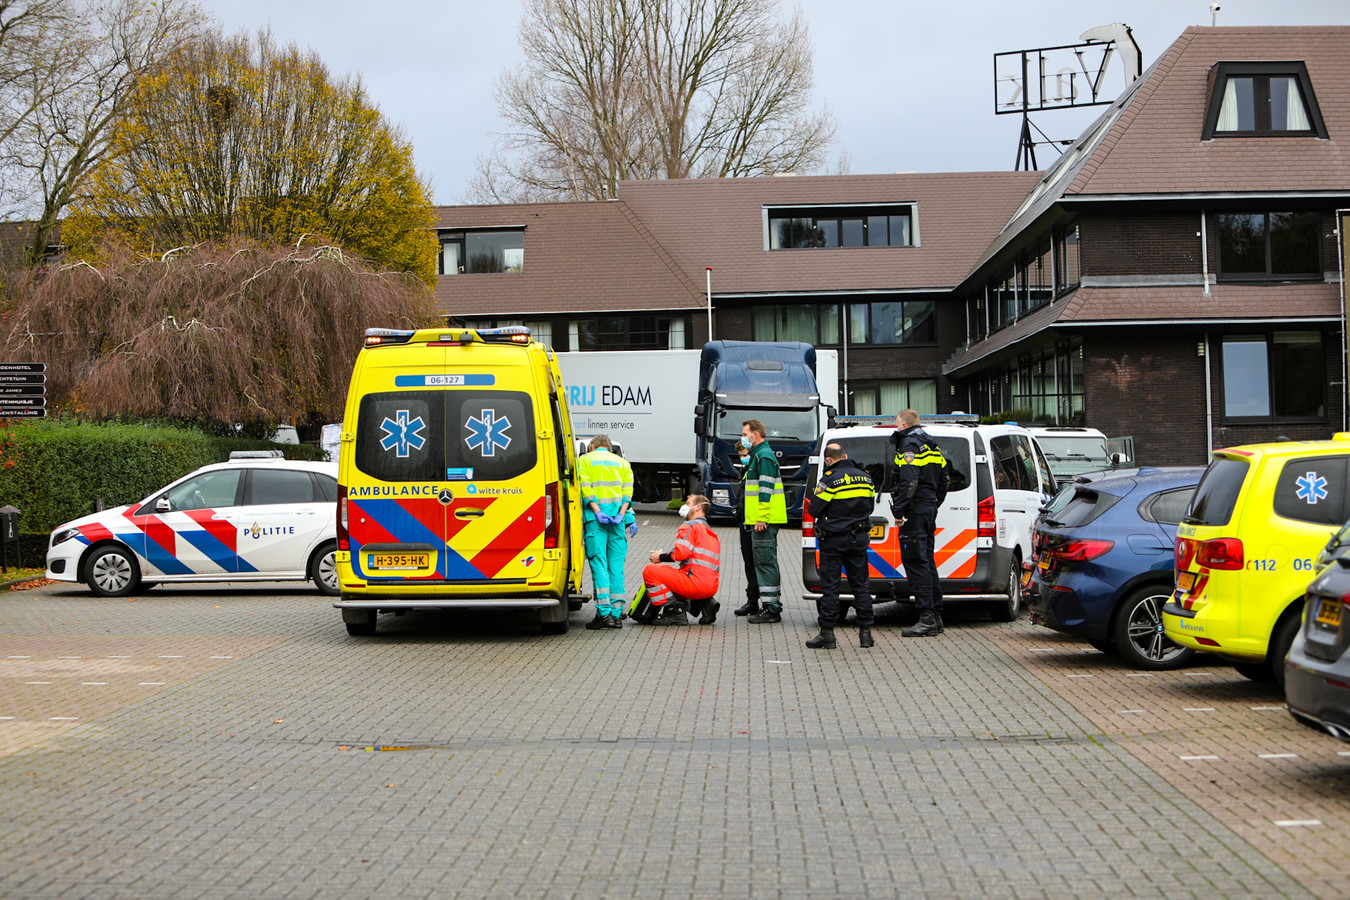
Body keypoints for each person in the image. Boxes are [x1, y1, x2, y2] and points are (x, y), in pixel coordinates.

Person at [805, 444, 876, 649]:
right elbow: (869, 506)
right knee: (861, 586)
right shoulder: (866, 477)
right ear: (845, 456)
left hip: (834, 540)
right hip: (859, 537)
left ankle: (827, 634)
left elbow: (816, 508)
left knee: (831, 587)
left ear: (828, 460)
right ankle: (866, 634)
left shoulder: (829, 479)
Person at [889, 409, 950, 637]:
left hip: (915, 511)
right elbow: (944, 479)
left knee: (915, 561)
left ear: (903, 425)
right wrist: (933, 503)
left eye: (897, 425)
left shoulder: (909, 445)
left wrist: (900, 510)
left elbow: (909, 481)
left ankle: (926, 618)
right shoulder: (931, 445)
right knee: (927, 561)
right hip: (928, 508)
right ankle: (936, 616)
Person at [577, 435, 634, 629]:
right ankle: (617, 615)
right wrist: (622, 514)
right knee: (615, 568)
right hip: (617, 521)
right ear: (609, 447)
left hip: (596, 521)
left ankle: (604, 614)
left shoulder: (584, 460)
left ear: (592, 446)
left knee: (599, 564)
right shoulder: (623, 463)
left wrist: (597, 511)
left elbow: (585, 488)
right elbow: (628, 493)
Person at [642, 494, 721, 625]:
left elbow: (680, 553)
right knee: (674, 573)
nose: (684, 506)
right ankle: (705, 603)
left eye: (688, 503)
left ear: (698, 507)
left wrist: (659, 557)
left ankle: (675, 612)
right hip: (711, 586)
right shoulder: (711, 533)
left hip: (695, 584)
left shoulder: (689, 526)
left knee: (650, 571)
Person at [741, 419, 787, 624]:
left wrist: (761, 517)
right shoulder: (759, 455)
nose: (743, 438)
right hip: (760, 520)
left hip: (763, 521)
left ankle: (772, 609)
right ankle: (769, 606)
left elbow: (766, 490)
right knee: (763, 562)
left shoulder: (764, 455)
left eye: (745, 434)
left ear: (755, 434)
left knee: (765, 562)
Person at [732, 442, 762, 617]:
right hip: (745, 521)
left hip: (756, 523)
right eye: (740, 456)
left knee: (758, 563)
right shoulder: (745, 470)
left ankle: (761, 601)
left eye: (744, 454)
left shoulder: (757, 468)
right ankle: (752, 601)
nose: (743, 459)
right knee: (749, 562)